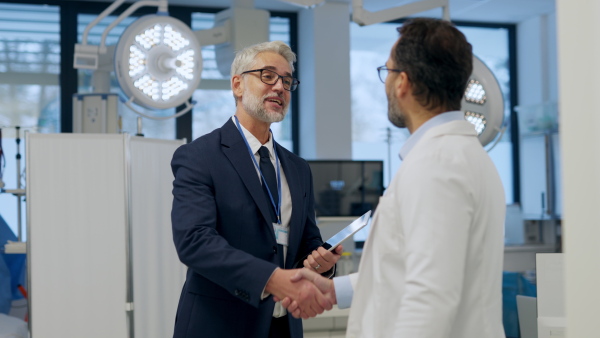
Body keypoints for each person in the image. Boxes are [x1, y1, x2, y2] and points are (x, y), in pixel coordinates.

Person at [278, 18, 507, 338]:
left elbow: (429, 297)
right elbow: (409, 269)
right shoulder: (464, 156)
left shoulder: (436, 165)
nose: (385, 83)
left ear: (402, 82)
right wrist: (334, 290)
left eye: (387, 72)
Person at [170, 40, 342, 338]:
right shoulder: (200, 156)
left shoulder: (298, 168)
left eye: (287, 80)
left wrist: (320, 264)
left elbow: (306, 242)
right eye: (267, 75)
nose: (279, 87)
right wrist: (272, 279)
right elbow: (194, 242)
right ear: (238, 85)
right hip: (219, 326)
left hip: (283, 326)